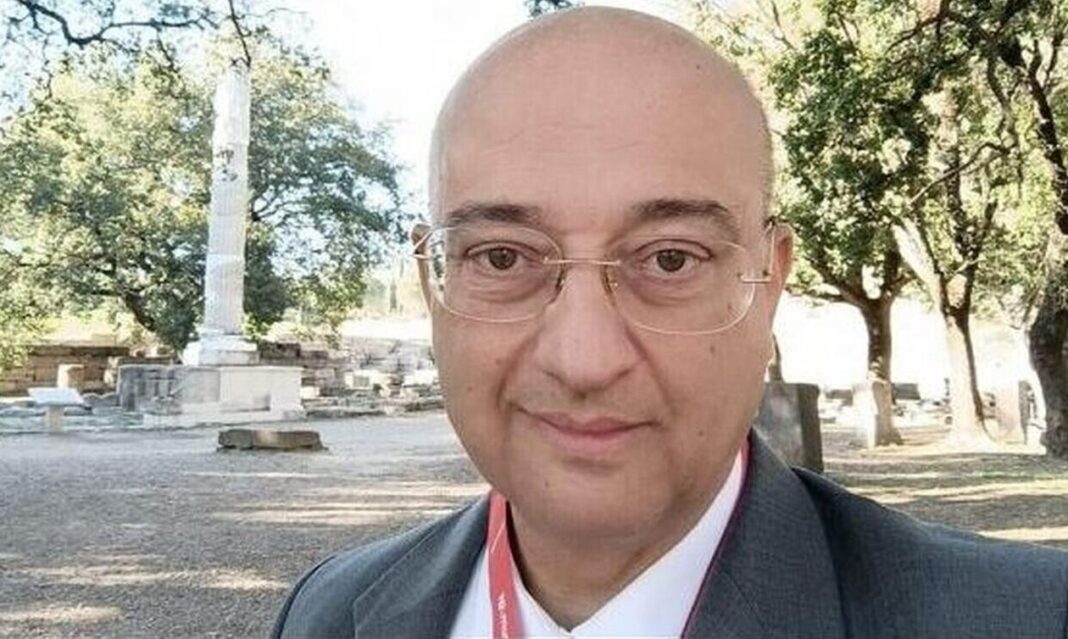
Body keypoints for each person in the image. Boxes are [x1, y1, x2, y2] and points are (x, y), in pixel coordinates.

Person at [273, 7, 1068, 638]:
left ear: (768, 282)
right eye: (504, 257)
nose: (584, 359)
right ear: (432, 280)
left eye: (670, 258)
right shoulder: (325, 614)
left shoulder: (1030, 617)